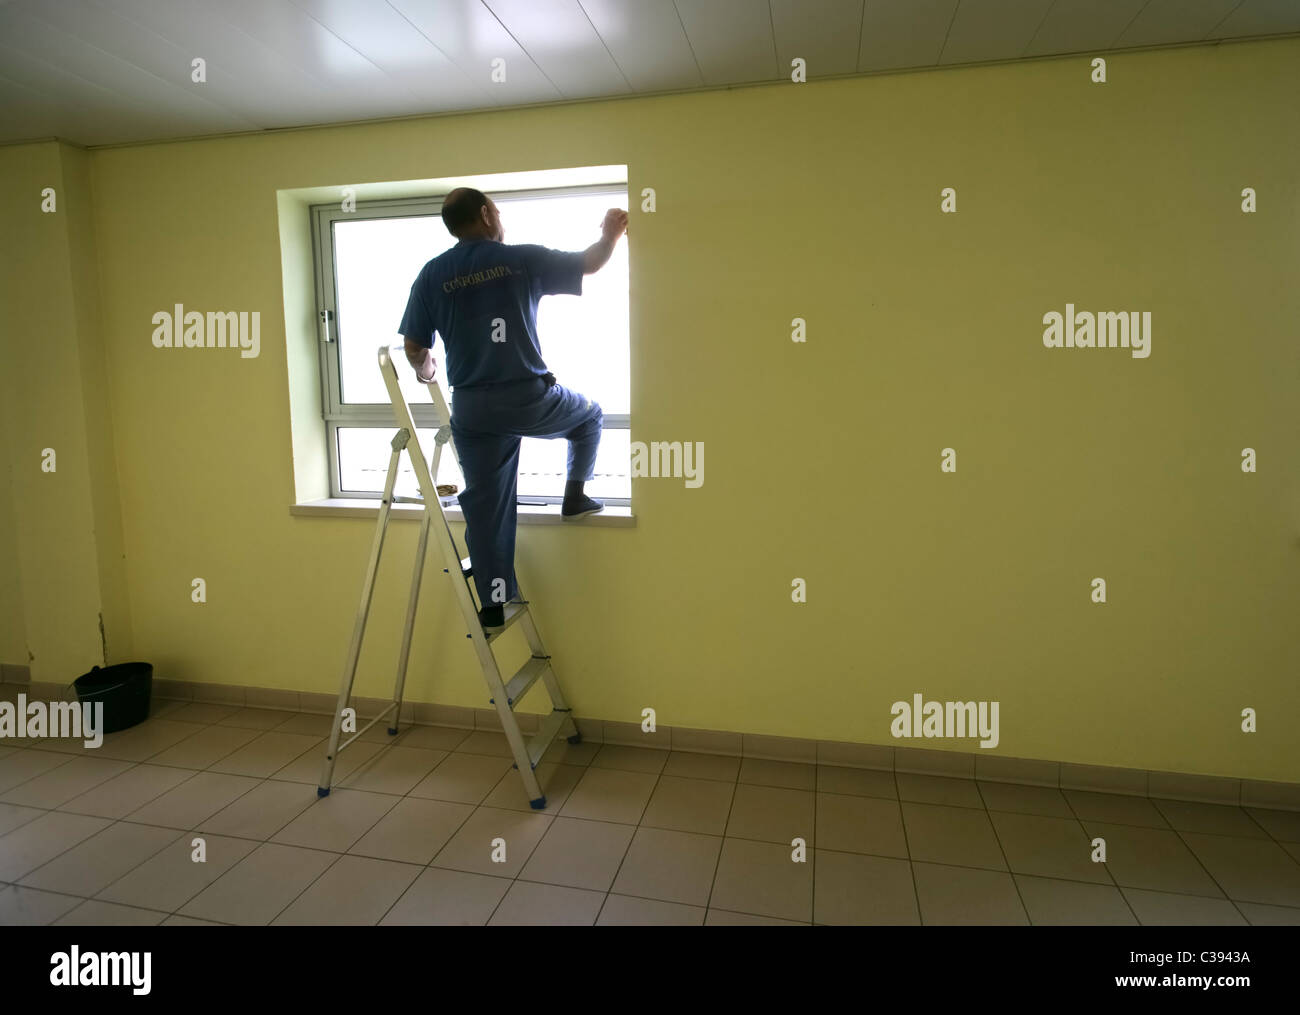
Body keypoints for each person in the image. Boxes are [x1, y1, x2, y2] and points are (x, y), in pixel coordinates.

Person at [399, 188, 627, 631]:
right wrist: (610, 232)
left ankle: (492, 603)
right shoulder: (519, 258)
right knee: (591, 416)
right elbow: (590, 262)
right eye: (498, 212)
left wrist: (428, 371)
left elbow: (415, 347)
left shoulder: (432, 274)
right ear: (485, 215)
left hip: (472, 408)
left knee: (487, 508)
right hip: (526, 398)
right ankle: (575, 497)